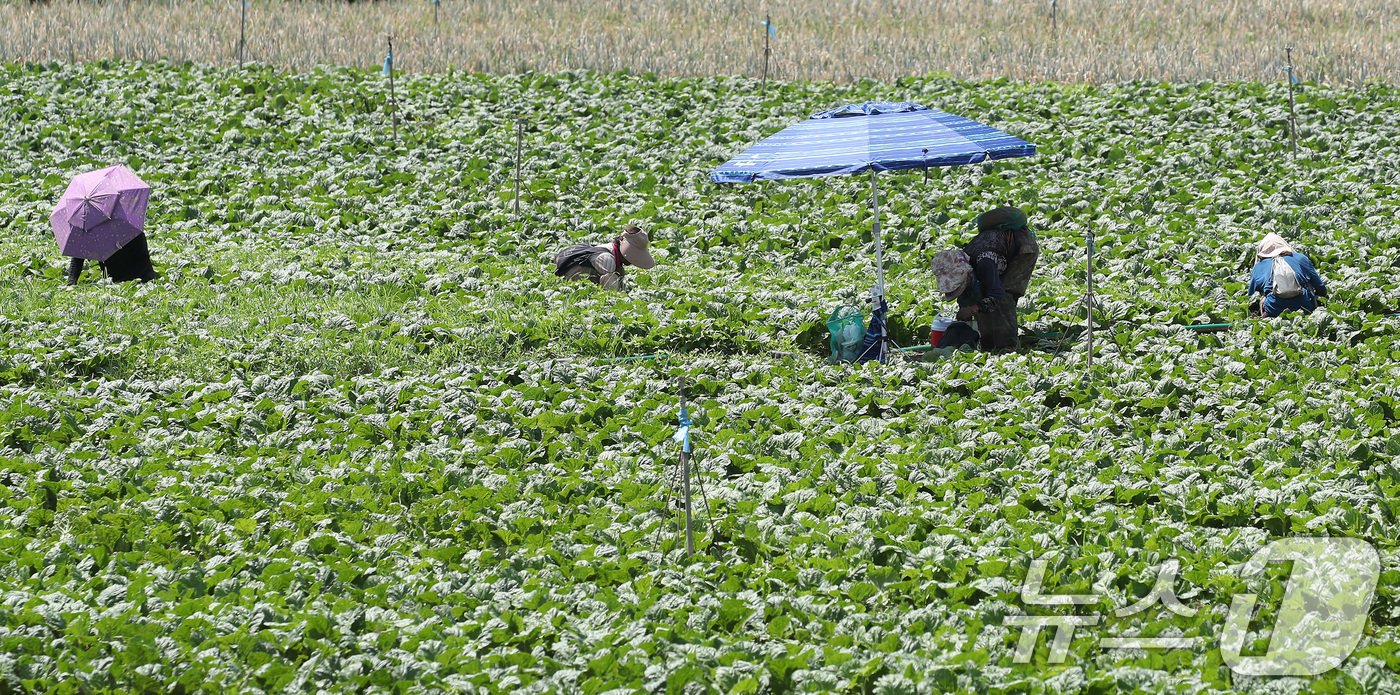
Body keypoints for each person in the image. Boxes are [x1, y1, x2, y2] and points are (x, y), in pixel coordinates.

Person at [931, 207, 1038, 352]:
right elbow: (968, 293)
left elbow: (996, 295)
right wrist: (965, 309)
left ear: (966, 275)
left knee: (1004, 295)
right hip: (997, 252)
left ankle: (1007, 345)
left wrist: (973, 308)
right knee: (980, 295)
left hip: (1023, 250)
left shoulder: (985, 263)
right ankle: (988, 343)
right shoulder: (967, 258)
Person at [551, 225, 655, 291]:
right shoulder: (607, 259)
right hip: (567, 283)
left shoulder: (611, 251)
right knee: (611, 276)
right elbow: (612, 290)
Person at [1248, 233, 1327, 317]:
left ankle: (1264, 314)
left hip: (1273, 311)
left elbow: (1251, 294)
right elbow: (1321, 287)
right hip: (1304, 308)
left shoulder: (1259, 266)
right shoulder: (1301, 258)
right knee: (1307, 284)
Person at [66, 232, 158, 286]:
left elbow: (143, 260)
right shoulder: (94, 230)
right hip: (113, 282)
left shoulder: (131, 228)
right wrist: (71, 283)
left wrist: (125, 280)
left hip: (141, 279)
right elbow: (78, 255)